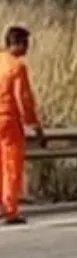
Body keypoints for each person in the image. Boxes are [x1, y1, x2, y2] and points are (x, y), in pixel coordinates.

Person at [0, 25, 44, 225]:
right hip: (8, 122)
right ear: (17, 44)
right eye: (26, 44)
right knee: (11, 167)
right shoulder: (17, 67)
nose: (27, 49)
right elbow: (22, 98)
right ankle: (10, 211)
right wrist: (34, 124)